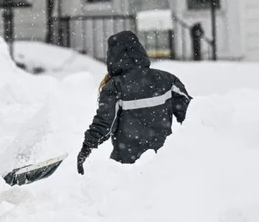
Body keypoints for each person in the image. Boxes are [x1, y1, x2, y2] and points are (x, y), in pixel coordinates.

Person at [77, 30, 191, 174]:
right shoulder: (167, 79)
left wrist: (87, 147)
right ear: (139, 49)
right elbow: (193, 113)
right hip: (163, 162)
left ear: (112, 56)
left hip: (127, 166)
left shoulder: (115, 86)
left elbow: (105, 123)